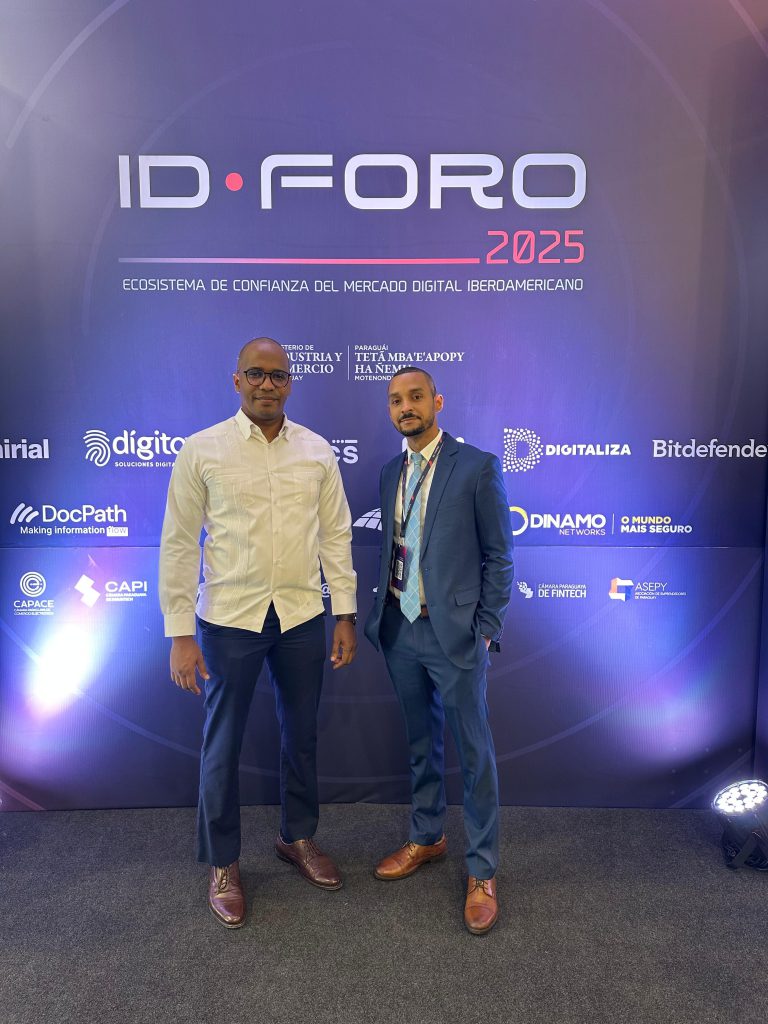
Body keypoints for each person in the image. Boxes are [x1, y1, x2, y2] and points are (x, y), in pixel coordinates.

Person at [159, 337, 357, 929]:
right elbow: (178, 542)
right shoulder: (202, 450)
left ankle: (297, 837)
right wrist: (180, 633)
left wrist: (345, 614)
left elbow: (336, 536)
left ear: (290, 383)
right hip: (228, 620)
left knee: (302, 735)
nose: (267, 384)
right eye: (256, 374)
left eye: (277, 375)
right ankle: (223, 862)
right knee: (222, 743)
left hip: (301, 616)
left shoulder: (316, 450)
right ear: (237, 380)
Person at [364, 366, 513, 934]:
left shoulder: (476, 466)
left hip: (455, 634)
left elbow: (500, 556)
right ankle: (427, 836)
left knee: (474, 754)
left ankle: (482, 869)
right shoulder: (389, 472)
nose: (406, 407)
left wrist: (485, 627)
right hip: (400, 629)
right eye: (395, 400)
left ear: (437, 402)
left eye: (415, 397)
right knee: (419, 744)